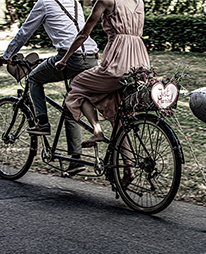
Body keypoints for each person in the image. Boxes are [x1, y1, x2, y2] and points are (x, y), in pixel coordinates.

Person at [0, 0, 99, 176]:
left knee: (34, 78)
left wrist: (8, 55)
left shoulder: (44, 3)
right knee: (72, 103)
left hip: (70, 57)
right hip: (91, 57)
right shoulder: (75, 2)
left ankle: (42, 123)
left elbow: (24, 32)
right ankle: (75, 159)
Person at [55, 0, 150, 147]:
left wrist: (64, 59)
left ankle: (97, 130)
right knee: (117, 114)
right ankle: (127, 169)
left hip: (118, 64)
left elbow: (83, 34)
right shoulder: (139, 2)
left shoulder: (106, 1)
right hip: (140, 64)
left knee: (78, 86)